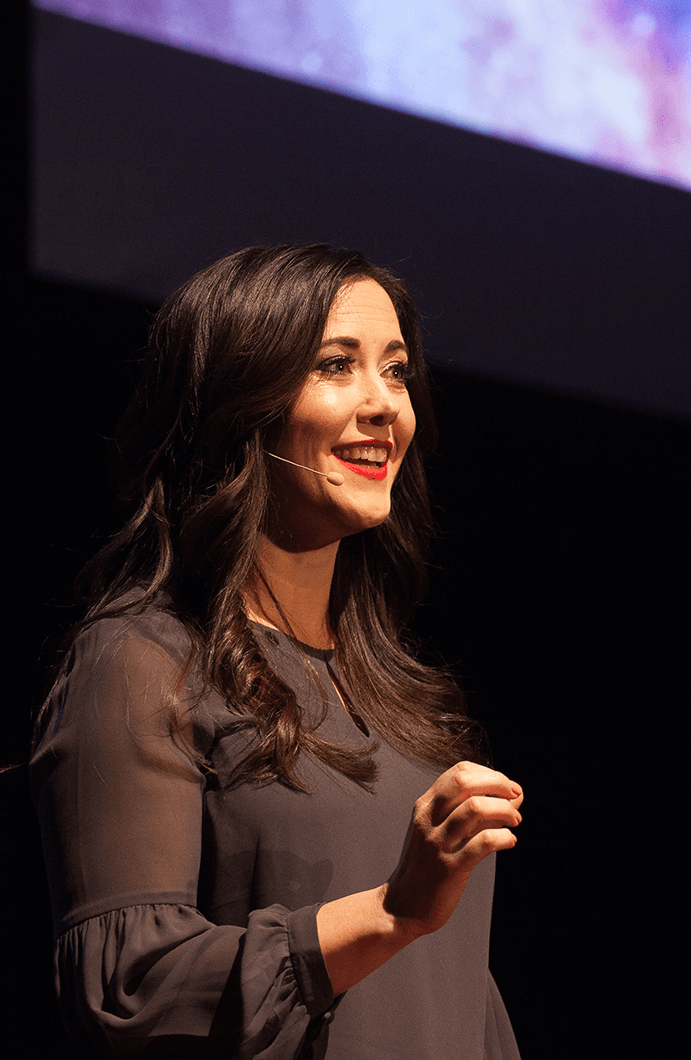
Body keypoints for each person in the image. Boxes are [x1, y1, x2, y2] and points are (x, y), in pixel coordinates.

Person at [31, 244, 524, 1059]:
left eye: (396, 371)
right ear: (240, 403)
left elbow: (456, 998)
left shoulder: (404, 711)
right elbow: (128, 989)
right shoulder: (143, 660)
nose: (384, 407)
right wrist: (392, 911)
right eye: (337, 365)